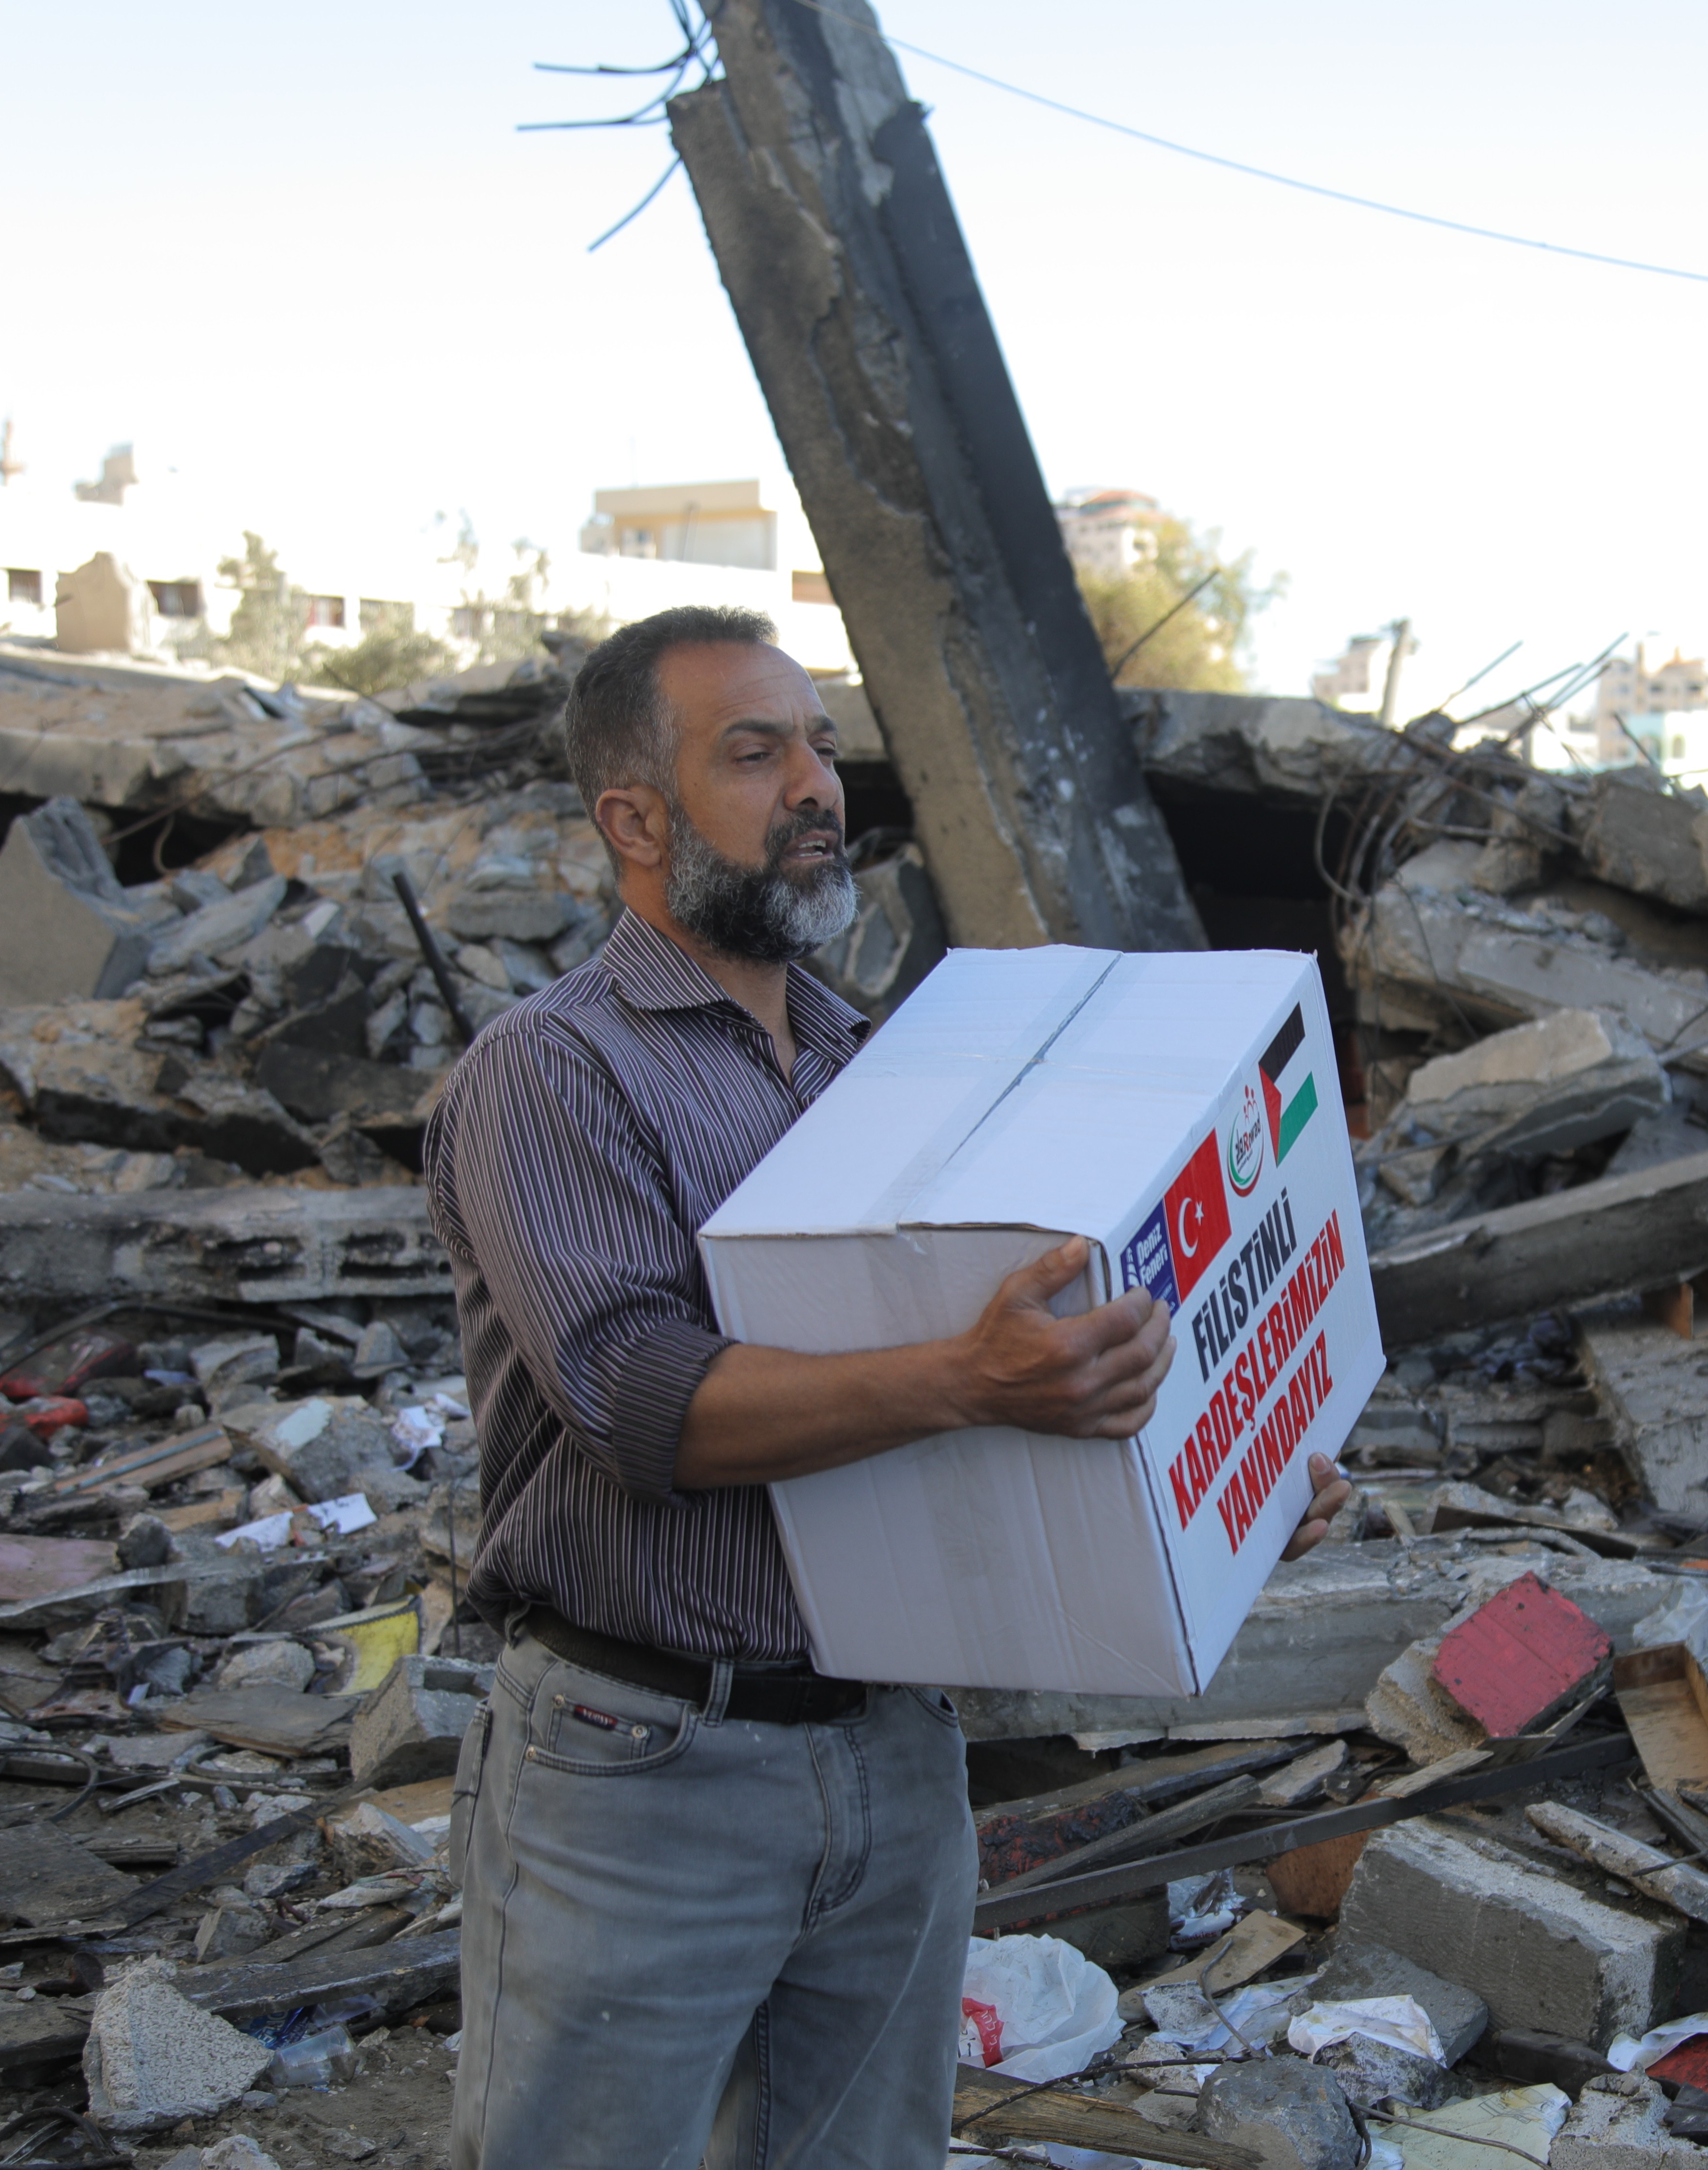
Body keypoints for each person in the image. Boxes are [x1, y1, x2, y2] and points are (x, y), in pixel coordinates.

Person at [425, 604, 1354, 2170]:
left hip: (889, 1757)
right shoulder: (556, 1069)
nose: (815, 786)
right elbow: (639, 1399)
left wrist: (1239, 1488)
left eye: (821, 747)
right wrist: (973, 1376)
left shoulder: (878, 1072)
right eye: (755, 751)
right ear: (633, 819)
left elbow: (979, 1395)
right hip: (647, 1763)